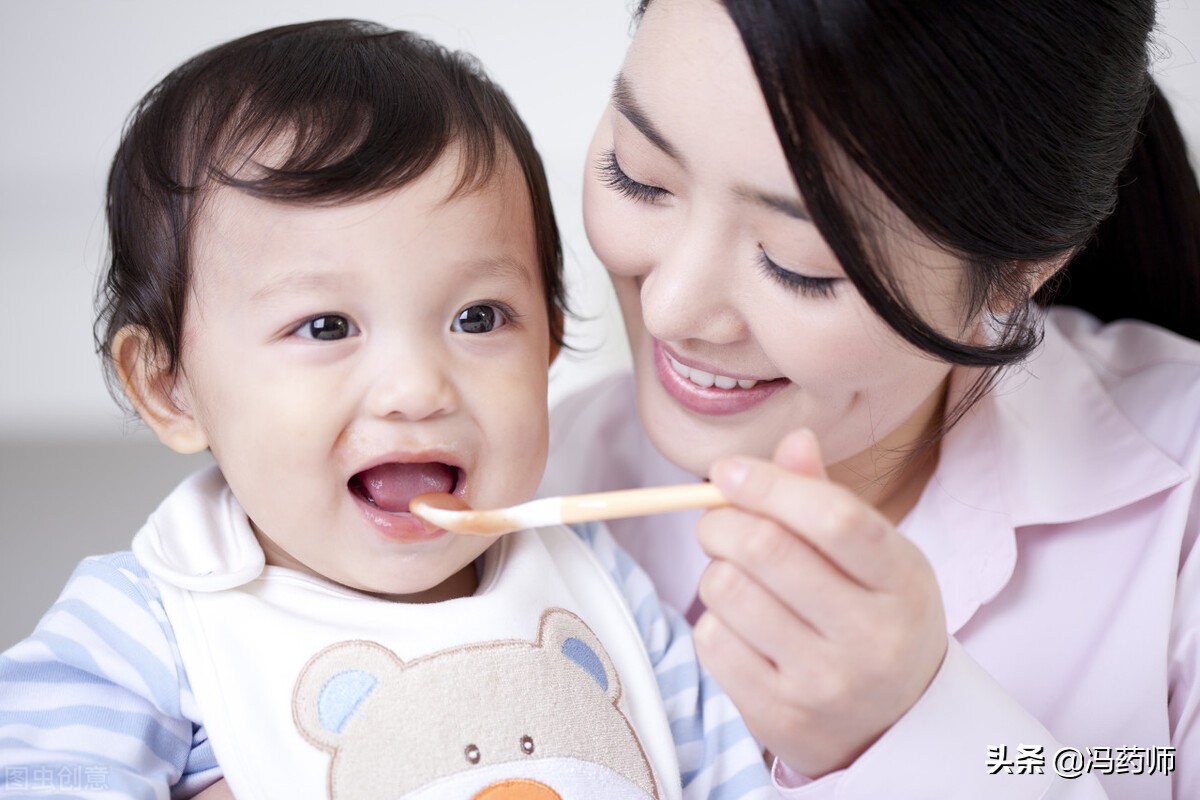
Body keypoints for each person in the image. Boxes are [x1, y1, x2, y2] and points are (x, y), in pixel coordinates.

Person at [0, 20, 774, 800]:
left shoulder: (602, 584)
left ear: (550, 342)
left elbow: (737, 779)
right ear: (170, 388)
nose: (416, 389)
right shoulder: (143, 629)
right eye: (326, 327)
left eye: (478, 318)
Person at [542, 0, 1200, 797]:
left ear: (1026, 265)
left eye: (799, 264)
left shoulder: (1179, 514)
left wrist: (916, 732)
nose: (669, 309)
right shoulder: (543, 485)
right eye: (638, 177)